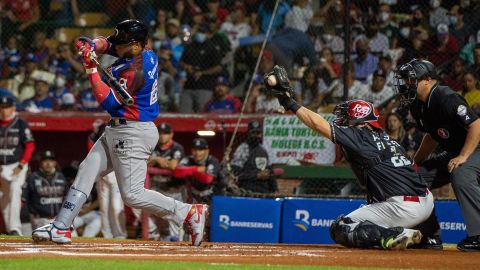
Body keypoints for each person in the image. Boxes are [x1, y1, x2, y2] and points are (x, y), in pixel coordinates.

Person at [31, 19, 207, 246]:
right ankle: (61, 227)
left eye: (123, 43)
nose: (117, 46)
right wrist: (91, 46)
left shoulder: (135, 71)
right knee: (86, 171)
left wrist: (91, 69)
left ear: (135, 45)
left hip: (133, 131)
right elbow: (109, 44)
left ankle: (188, 212)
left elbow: (111, 104)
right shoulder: (143, 51)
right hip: (119, 128)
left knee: (132, 195)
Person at [263, 65, 433, 250]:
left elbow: (318, 124)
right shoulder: (387, 139)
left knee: (341, 227)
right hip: (425, 201)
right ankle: (428, 240)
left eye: (346, 117)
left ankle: (394, 234)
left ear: (358, 121)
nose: (342, 121)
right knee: (369, 214)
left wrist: (291, 104)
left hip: (404, 208)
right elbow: (367, 179)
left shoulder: (360, 136)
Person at [394, 59, 480, 252]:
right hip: (457, 151)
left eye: (410, 80)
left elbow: (476, 125)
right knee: (414, 178)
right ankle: (430, 236)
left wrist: (463, 156)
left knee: (460, 173)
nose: (407, 84)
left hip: (475, 147)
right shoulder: (418, 106)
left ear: (426, 79)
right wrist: (414, 163)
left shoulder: (446, 97)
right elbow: (432, 137)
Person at [146, 122, 187, 241]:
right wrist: (158, 159)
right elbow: (144, 162)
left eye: (166, 133)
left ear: (171, 134)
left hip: (174, 189)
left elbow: (173, 166)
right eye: (160, 133)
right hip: (158, 188)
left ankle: (178, 243)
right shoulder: (153, 147)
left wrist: (154, 160)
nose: (163, 136)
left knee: (176, 221)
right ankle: (152, 231)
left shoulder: (177, 148)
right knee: (136, 203)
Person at [0, 95, 35, 235]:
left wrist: (21, 166)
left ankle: (15, 227)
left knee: (15, 190)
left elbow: (30, 146)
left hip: (16, 164)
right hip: (1, 166)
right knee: (4, 197)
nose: (4, 111)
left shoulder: (20, 123)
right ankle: (10, 229)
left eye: (7, 107)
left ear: (13, 108)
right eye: (2, 107)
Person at [22, 150, 68, 231]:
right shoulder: (33, 178)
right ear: (40, 163)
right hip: (40, 219)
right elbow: (24, 199)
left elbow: (68, 196)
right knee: (44, 241)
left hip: (59, 218)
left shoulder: (61, 177)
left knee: (73, 238)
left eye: (51, 161)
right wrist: (27, 217)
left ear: (55, 163)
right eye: (45, 161)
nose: (48, 163)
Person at [231, 121, 277, 194]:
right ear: (248, 134)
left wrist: (274, 188)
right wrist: (256, 175)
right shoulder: (243, 149)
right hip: (247, 191)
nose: (256, 135)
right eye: (253, 133)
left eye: (258, 133)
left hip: (264, 191)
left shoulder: (263, 150)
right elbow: (235, 173)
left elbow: (269, 170)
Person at [173, 138, 224, 205]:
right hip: (195, 197)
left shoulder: (212, 160)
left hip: (213, 197)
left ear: (207, 151)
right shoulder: (188, 159)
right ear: (192, 150)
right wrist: (196, 169)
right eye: (195, 150)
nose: (197, 153)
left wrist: (188, 170)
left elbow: (207, 179)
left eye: (201, 150)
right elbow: (177, 172)